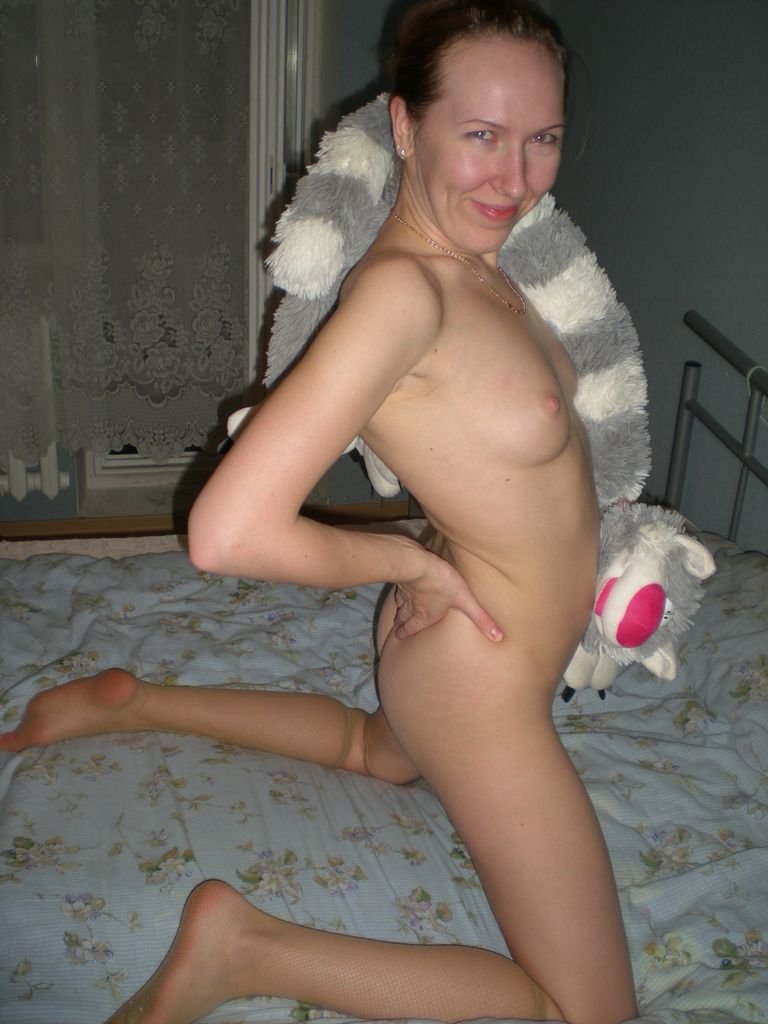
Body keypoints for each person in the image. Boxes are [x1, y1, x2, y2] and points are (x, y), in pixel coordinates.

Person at [0, 2, 639, 1022]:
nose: (515, 178)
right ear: (405, 126)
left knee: (370, 751)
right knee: (585, 1013)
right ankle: (246, 949)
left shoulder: (488, 263)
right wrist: (410, 565)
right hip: (480, 681)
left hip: (462, 658)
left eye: (543, 138)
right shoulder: (404, 296)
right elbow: (227, 531)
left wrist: (443, 550)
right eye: (481, 134)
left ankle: (135, 703)